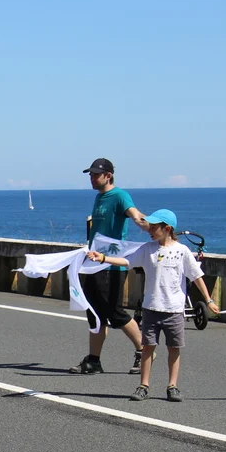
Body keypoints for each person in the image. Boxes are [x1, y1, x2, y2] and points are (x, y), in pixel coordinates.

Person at [86, 209, 218, 402]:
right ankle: (143, 386)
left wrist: (209, 300)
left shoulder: (182, 251)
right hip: (151, 308)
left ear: (167, 229)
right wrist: (104, 258)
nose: (150, 230)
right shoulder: (148, 249)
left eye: (154, 227)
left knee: (174, 348)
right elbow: (127, 261)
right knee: (147, 347)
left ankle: (172, 386)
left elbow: (197, 276)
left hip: (174, 310)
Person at [70, 158, 147, 375]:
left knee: (115, 312)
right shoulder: (99, 198)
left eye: (96, 175)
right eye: (91, 175)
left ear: (108, 176)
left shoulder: (120, 196)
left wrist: (149, 226)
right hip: (93, 263)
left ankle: (144, 351)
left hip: (111, 265)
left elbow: (135, 214)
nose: (92, 178)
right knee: (94, 313)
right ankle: (94, 361)